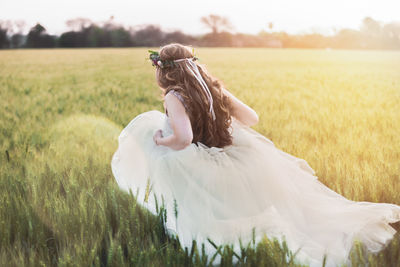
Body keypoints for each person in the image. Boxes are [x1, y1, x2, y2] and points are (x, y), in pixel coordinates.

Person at [111, 43, 400, 267]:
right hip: (233, 158)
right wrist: (218, 114)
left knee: (150, 145)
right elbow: (251, 118)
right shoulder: (213, 89)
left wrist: (162, 140)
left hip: (198, 161)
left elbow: (184, 139)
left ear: (164, 70)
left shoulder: (175, 96)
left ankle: (221, 246)